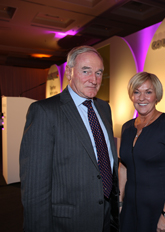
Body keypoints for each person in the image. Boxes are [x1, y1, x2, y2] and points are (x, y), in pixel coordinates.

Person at [20, 45, 119, 232]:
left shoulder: (105, 109)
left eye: (99, 73)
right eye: (86, 71)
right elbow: (35, 187)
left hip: (105, 217)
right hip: (67, 222)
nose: (94, 79)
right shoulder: (44, 111)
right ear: (69, 73)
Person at [119, 72, 165, 232]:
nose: (142, 97)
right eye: (137, 92)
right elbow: (123, 167)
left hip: (160, 210)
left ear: (157, 95)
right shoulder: (127, 127)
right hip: (131, 211)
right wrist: (120, 202)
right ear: (131, 96)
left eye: (148, 92)